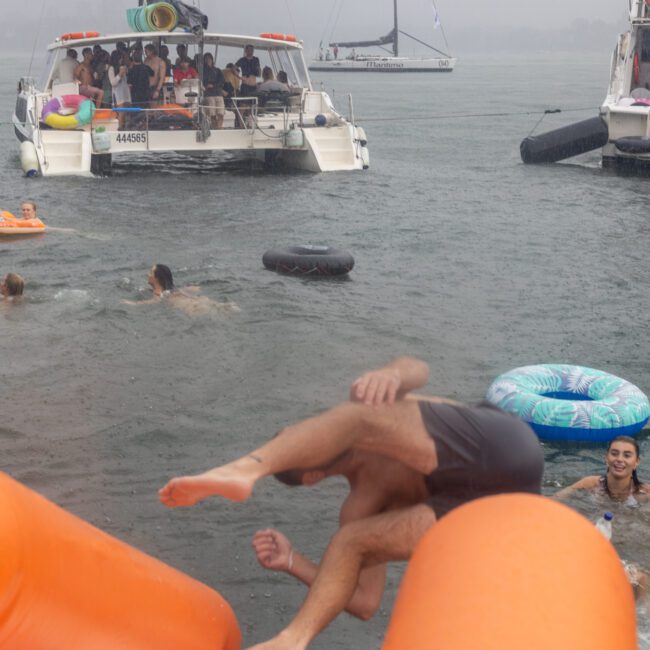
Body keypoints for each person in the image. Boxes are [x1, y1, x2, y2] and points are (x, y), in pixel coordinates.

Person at [159, 357, 544, 649]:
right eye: (299, 442)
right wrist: (294, 562)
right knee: (350, 541)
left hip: (504, 449)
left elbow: (418, 368)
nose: (312, 429)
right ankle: (292, 640)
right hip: (474, 511)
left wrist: (392, 375)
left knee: (364, 411)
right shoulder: (360, 506)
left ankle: (244, 470)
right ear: (311, 475)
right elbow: (364, 603)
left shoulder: (372, 415)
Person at [555, 436, 650, 503]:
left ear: (637, 462)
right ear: (606, 458)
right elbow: (555, 498)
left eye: (627, 455)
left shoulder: (646, 493)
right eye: (614, 453)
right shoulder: (589, 484)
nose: (620, 459)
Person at [123, 264, 239, 316]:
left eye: (150, 272)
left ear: (156, 279)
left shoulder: (159, 294)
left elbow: (152, 302)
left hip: (193, 309)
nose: (148, 275)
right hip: (203, 300)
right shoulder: (178, 290)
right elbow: (196, 288)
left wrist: (132, 303)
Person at [108, 50, 131, 129]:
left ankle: (125, 127)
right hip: (117, 94)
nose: (121, 60)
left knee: (126, 113)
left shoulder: (123, 66)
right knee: (120, 113)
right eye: (120, 58)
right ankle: (120, 129)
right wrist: (120, 74)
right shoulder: (111, 68)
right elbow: (113, 82)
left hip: (125, 93)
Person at [202, 52, 225, 129]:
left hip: (218, 93)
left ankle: (219, 128)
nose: (208, 60)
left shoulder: (217, 70)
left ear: (212, 60)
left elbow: (222, 81)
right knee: (213, 114)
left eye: (209, 58)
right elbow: (203, 82)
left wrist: (214, 85)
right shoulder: (202, 71)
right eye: (206, 58)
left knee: (221, 113)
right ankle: (215, 129)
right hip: (209, 94)